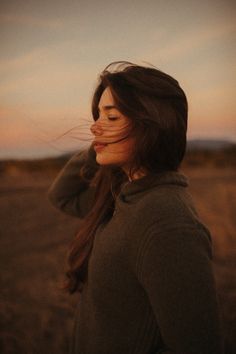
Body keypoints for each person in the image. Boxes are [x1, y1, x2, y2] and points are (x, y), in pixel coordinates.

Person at [47, 62, 223, 354]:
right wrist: (101, 140)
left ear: (152, 124)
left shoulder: (166, 222)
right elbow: (62, 195)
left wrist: (104, 140)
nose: (94, 125)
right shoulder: (123, 196)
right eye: (98, 115)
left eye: (111, 116)